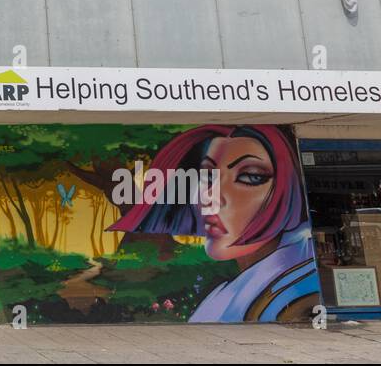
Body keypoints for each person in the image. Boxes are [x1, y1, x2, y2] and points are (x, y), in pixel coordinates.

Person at [108, 124, 319, 322]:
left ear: (288, 191)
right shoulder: (236, 292)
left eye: (250, 176)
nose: (211, 196)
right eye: (208, 175)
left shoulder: (294, 293)